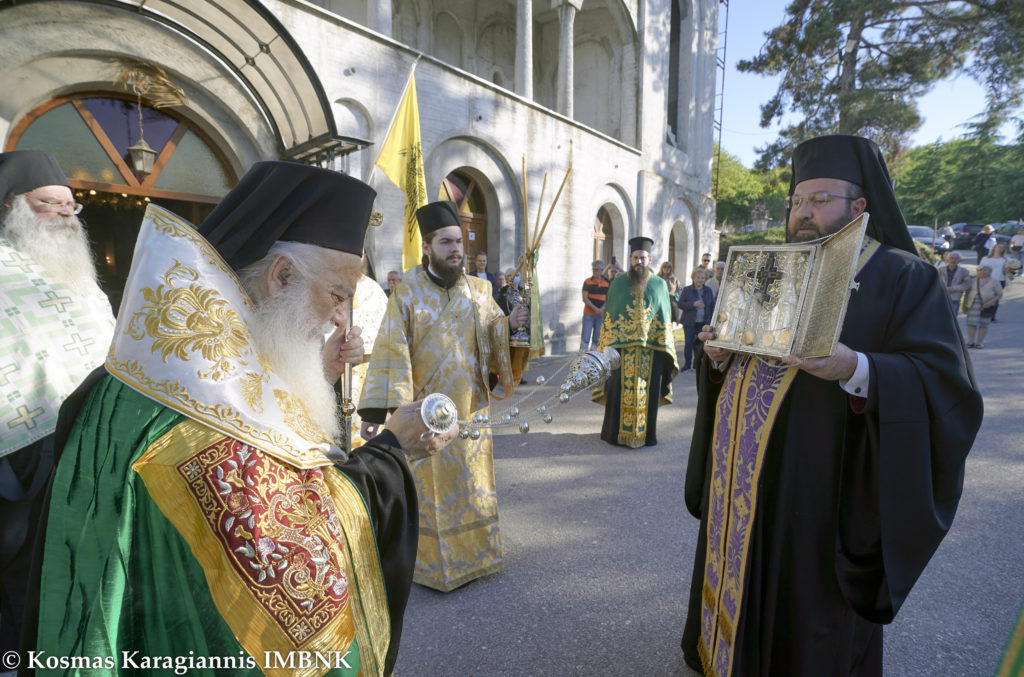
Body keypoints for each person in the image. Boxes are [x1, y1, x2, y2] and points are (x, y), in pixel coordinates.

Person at [22, 162, 452, 676]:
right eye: (339, 295)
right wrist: (392, 454)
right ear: (281, 276)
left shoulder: (185, 357)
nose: (341, 317)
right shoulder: (197, 411)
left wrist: (318, 369)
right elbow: (294, 559)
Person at [682, 135, 983, 677]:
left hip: (824, 489)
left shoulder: (903, 276)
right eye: (798, 201)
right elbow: (743, 359)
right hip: (746, 475)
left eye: (820, 200)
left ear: (858, 207)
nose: (803, 213)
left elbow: (947, 385)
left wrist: (856, 367)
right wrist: (719, 357)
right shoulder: (772, 268)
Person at [358, 200, 528, 592]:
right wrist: (380, 410)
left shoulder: (480, 290)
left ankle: (478, 557)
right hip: (427, 413)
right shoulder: (406, 294)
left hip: (470, 410)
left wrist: (508, 325)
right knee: (429, 490)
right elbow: (391, 351)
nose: (456, 249)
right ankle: (431, 566)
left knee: (473, 481)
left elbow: (491, 337)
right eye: (446, 242)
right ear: (429, 248)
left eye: (458, 242)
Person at [0, 150, 116, 655]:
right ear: (11, 207)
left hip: (93, 438)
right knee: (28, 570)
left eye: (72, 205)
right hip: (21, 447)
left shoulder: (80, 275)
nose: (67, 213)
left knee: (88, 562)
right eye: (50, 203)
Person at [594, 236, 679, 448]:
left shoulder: (660, 285)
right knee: (617, 389)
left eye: (642, 257)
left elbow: (664, 317)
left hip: (651, 351)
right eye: (635, 258)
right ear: (630, 259)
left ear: (649, 259)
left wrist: (664, 347)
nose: (638, 262)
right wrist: (607, 347)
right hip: (620, 351)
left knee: (647, 392)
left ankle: (646, 435)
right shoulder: (617, 284)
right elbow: (610, 317)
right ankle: (613, 434)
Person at [677, 267, 715, 372]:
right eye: (698, 277)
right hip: (689, 322)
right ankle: (687, 365)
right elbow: (680, 304)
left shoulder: (708, 290)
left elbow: (712, 306)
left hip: (703, 323)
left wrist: (712, 321)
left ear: (705, 279)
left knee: (700, 346)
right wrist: (693, 304)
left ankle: (696, 365)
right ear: (693, 278)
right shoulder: (687, 290)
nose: (700, 280)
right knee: (689, 344)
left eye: (702, 278)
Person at [963, 264, 1002, 348]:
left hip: (987, 305)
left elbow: (999, 295)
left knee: (983, 324)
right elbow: (967, 293)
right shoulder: (972, 280)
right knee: (971, 323)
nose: (982, 271)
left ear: (990, 271)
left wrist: (990, 302)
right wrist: (964, 305)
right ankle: (970, 342)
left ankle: (979, 342)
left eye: (985, 270)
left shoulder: (994, 281)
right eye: (980, 270)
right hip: (973, 305)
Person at [580, 259, 608, 351]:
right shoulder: (587, 281)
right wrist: (595, 309)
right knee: (585, 337)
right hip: (589, 314)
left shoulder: (607, 282)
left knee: (597, 339)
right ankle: (581, 358)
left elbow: (609, 298)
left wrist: (601, 309)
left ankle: (593, 359)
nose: (594, 271)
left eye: (596, 269)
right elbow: (585, 298)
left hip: (601, 314)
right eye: (593, 269)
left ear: (601, 270)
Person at [979, 241, 1008, 321]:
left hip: (999, 280)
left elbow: (1006, 271)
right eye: (999, 247)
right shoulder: (986, 258)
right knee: (985, 297)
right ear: (994, 247)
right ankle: (983, 313)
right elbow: (980, 268)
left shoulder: (1004, 260)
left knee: (995, 298)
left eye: (1002, 248)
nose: (1000, 249)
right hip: (986, 280)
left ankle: (992, 316)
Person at [939, 250, 972, 315]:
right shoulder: (940, 270)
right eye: (951, 258)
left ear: (959, 261)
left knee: (952, 320)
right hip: (941, 297)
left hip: (954, 299)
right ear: (947, 259)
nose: (953, 260)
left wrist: (954, 288)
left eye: (956, 258)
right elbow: (935, 281)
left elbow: (967, 284)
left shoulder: (963, 271)